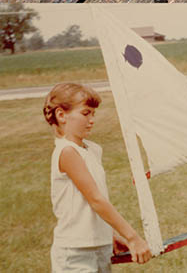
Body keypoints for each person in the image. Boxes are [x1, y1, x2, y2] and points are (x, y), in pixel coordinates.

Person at [44, 83, 152, 272]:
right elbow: (96, 200)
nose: (92, 120)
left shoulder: (91, 150)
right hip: (75, 252)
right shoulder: (67, 152)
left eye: (93, 114)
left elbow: (85, 205)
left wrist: (108, 234)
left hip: (98, 247)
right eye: (86, 113)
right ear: (61, 115)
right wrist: (132, 237)